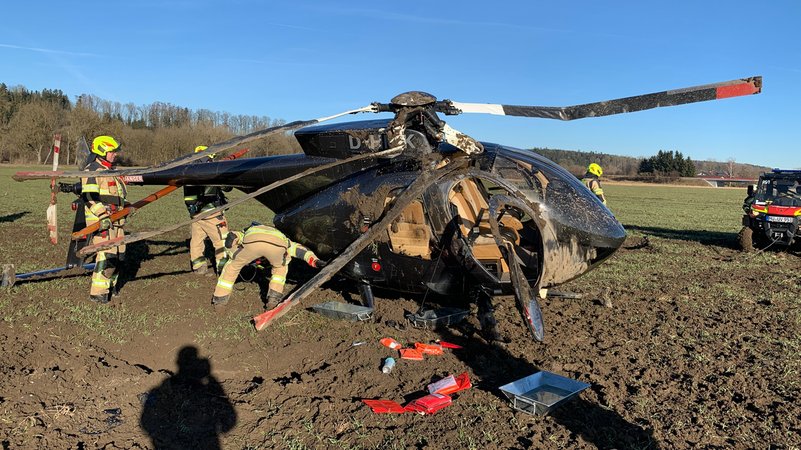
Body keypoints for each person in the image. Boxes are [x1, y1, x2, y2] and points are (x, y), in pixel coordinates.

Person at [212, 224, 326, 308]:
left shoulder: (251, 229)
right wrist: (315, 261)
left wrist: (231, 244)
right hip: (277, 246)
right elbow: (301, 250)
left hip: (252, 242)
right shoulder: (282, 236)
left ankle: (220, 301)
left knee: (232, 267)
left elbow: (234, 236)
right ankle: (273, 299)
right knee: (280, 268)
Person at [81, 135, 127, 303]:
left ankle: (111, 287)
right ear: (102, 152)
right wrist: (102, 216)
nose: (115, 154)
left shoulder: (112, 171)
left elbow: (117, 195)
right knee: (106, 255)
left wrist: (126, 206)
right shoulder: (93, 170)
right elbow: (89, 197)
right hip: (102, 222)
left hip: (117, 221)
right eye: (112, 151)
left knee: (119, 256)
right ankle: (98, 292)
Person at [183, 145, 230, 275]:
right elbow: (226, 187)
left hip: (196, 214)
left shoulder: (190, 170)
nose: (213, 161)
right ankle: (224, 270)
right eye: (212, 158)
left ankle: (198, 267)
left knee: (197, 240)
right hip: (211, 213)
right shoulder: (207, 170)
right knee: (222, 240)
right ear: (207, 157)